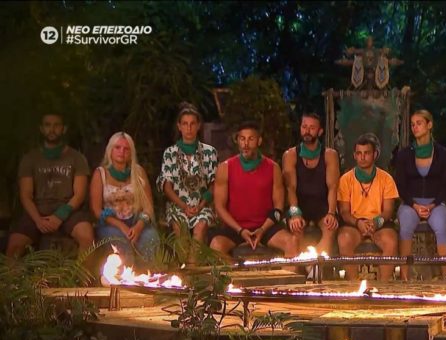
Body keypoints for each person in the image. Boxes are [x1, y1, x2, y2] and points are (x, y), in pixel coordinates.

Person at [209, 121, 298, 270]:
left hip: (265, 227)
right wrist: (240, 230)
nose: (246, 144)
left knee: (292, 242)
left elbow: (278, 208)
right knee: (216, 245)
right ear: (237, 141)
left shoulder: (273, 168)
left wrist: (262, 229)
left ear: (259, 141)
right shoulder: (225, 168)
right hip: (236, 228)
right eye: (242, 139)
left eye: (250, 139)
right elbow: (219, 207)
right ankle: (237, 279)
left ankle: (284, 282)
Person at [6, 111, 94, 259]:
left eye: (56, 125)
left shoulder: (76, 158)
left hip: (68, 210)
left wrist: (59, 216)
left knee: (87, 237)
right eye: (47, 125)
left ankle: (81, 274)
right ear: (41, 128)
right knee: (14, 246)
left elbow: (79, 194)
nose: (52, 129)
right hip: (37, 210)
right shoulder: (30, 158)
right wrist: (38, 220)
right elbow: (26, 195)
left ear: (64, 129)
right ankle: (14, 275)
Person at [394, 110, 446, 280]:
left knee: (441, 226)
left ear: (429, 125)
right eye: (412, 124)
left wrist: (433, 205)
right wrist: (414, 205)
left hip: (436, 203)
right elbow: (400, 186)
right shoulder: (404, 154)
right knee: (405, 226)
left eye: (419, 123)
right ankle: (405, 278)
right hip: (410, 203)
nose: (415, 127)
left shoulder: (443, 154)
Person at [157, 102, 218, 262]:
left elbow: (213, 185)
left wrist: (201, 205)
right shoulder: (170, 153)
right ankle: (186, 268)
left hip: (201, 205)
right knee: (180, 228)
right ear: (179, 126)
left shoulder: (209, 152)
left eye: (192, 124)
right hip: (178, 205)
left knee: (200, 227)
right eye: (185, 124)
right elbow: (167, 186)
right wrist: (184, 206)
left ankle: (192, 269)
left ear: (198, 126)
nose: (189, 128)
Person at [337, 134, 399, 281]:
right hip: (354, 223)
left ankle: (382, 287)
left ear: (375, 154)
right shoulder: (345, 179)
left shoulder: (386, 179)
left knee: (391, 241)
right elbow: (344, 212)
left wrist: (376, 222)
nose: (362, 157)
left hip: (379, 223)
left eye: (366, 153)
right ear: (354, 155)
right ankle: (354, 286)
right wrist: (358, 223)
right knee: (344, 239)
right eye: (359, 153)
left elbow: (388, 211)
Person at [90, 132, 159, 265]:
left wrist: (138, 227)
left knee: (150, 238)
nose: (121, 152)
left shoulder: (138, 172)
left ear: (131, 152)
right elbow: (96, 210)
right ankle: (125, 276)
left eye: (126, 149)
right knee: (121, 242)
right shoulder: (100, 174)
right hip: (111, 223)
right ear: (110, 150)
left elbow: (148, 207)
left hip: (136, 221)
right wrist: (121, 226)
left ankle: (147, 275)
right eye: (117, 147)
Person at [282, 113, 339, 256]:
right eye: (304, 127)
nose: (307, 131)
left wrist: (331, 213)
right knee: (296, 228)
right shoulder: (290, 155)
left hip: (322, 206)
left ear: (320, 131)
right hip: (299, 206)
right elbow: (290, 188)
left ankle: (316, 264)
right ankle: (304, 264)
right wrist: (295, 214)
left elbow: (333, 188)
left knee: (330, 228)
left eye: (312, 128)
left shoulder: (330, 155)